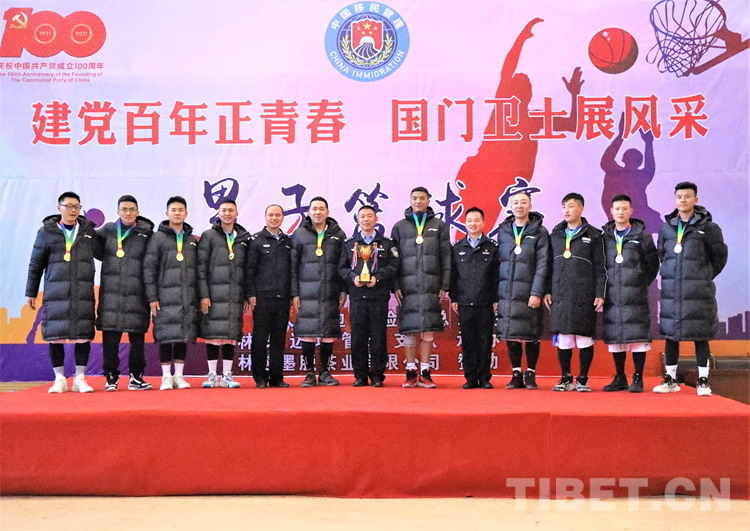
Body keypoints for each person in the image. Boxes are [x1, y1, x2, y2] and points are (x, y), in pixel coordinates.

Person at [654, 182, 728, 396]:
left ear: (696, 199)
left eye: (687, 196)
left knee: (700, 334)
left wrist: (704, 275)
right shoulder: (667, 227)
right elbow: (662, 254)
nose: (683, 200)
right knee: (671, 335)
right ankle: (670, 380)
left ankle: (703, 381)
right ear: (675, 199)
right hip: (672, 291)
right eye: (679, 197)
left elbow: (719, 257)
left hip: (698, 291)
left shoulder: (709, 228)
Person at [26, 192, 98, 393]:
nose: (73, 210)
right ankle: (59, 379)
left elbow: (106, 252)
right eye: (68, 206)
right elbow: (36, 264)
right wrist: (31, 291)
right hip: (55, 291)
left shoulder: (88, 232)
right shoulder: (46, 232)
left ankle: (80, 378)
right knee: (55, 335)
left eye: (77, 206)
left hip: (82, 291)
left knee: (83, 334)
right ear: (59, 208)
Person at [544, 193, 606, 392]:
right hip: (560, 292)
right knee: (564, 338)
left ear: (581, 208)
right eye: (564, 207)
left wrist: (600, 293)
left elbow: (601, 267)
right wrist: (547, 290)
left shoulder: (594, 235)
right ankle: (565, 378)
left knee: (584, 337)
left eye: (571, 206)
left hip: (584, 293)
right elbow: (547, 266)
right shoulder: (556, 235)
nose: (566, 210)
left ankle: (583, 379)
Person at [391, 186, 451, 388]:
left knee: (427, 331)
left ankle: (425, 371)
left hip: (431, 285)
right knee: (409, 330)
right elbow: (394, 260)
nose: (418, 201)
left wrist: (444, 284)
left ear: (428, 200)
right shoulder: (399, 227)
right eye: (415, 198)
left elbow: (446, 258)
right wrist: (396, 285)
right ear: (410, 200)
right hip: (407, 287)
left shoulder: (439, 226)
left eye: (422, 198)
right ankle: (410, 372)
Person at [600, 195, 660, 393]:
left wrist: (640, 281)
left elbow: (652, 264)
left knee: (638, 337)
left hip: (635, 294)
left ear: (631, 211)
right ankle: (620, 377)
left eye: (624, 209)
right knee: (616, 337)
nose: (620, 212)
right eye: (617, 209)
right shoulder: (605, 237)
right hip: (612, 294)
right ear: (611, 211)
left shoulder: (642, 236)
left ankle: (638, 377)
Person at [95, 194, 155, 391]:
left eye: (131, 209)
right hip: (111, 295)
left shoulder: (147, 233)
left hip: (137, 294)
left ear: (138, 212)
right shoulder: (108, 231)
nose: (128, 213)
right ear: (118, 211)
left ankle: (136, 377)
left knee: (137, 340)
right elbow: (94, 249)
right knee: (110, 338)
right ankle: (111, 377)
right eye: (124, 209)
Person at [338, 205, 400, 387]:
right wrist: (353, 277)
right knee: (358, 336)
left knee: (378, 337)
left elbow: (394, 265)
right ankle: (360, 375)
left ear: (376, 219)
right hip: (357, 296)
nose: (366, 219)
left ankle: (378, 375)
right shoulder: (349, 244)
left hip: (378, 296)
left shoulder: (386, 243)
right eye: (362, 216)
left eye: (369, 216)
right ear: (357, 219)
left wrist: (377, 278)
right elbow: (341, 267)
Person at [143, 196, 199, 391]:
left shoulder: (191, 239)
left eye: (180, 210)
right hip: (164, 297)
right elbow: (149, 268)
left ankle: (179, 376)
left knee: (183, 334)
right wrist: (152, 297)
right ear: (167, 213)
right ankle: (166, 376)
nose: (177, 213)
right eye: (173, 210)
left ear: (186, 213)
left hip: (187, 297)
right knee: (166, 335)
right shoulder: (157, 238)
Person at [496, 192, 550, 390]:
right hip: (507, 291)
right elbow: (498, 262)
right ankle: (516, 373)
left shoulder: (540, 232)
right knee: (511, 331)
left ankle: (531, 373)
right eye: (516, 203)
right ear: (510, 207)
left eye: (523, 202)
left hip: (529, 291)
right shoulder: (503, 231)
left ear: (530, 205)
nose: (519, 206)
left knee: (531, 333)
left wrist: (536, 292)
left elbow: (543, 264)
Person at [291, 196, 346, 387]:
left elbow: (344, 265)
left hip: (331, 290)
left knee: (328, 332)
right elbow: (293, 266)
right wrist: (295, 293)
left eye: (321, 209)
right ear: (308, 212)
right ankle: (309, 373)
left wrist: (343, 290)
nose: (318, 212)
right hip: (306, 291)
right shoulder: (299, 234)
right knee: (307, 331)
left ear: (327, 212)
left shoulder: (338, 234)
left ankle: (324, 372)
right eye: (314, 209)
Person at [198, 199, 250, 389]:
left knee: (230, 334)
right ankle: (212, 374)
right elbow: (201, 267)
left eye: (231, 211)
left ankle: (227, 374)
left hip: (235, 295)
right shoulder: (209, 236)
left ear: (236, 213)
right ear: (218, 213)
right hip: (213, 294)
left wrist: (246, 295)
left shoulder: (243, 238)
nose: (227, 214)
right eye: (224, 210)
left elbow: (248, 269)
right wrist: (204, 294)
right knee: (213, 334)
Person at [450, 207, 498, 389]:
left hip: (485, 301)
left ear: (483, 223)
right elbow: (453, 275)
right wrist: (454, 297)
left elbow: (496, 276)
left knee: (485, 341)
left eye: (476, 220)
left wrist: (495, 298)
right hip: (464, 301)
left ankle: (484, 377)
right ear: (464, 223)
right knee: (468, 341)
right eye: (469, 220)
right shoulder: (457, 248)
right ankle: (470, 377)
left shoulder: (492, 247)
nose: (473, 224)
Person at [246, 204, 293, 388]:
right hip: (262, 298)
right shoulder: (256, 240)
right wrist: (251, 294)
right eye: (271, 215)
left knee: (278, 339)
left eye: (277, 215)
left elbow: (291, 271)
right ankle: (260, 377)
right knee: (260, 338)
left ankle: (277, 377)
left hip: (282, 298)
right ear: (265, 217)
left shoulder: (287, 242)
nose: (274, 218)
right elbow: (250, 270)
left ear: (282, 218)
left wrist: (292, 295)